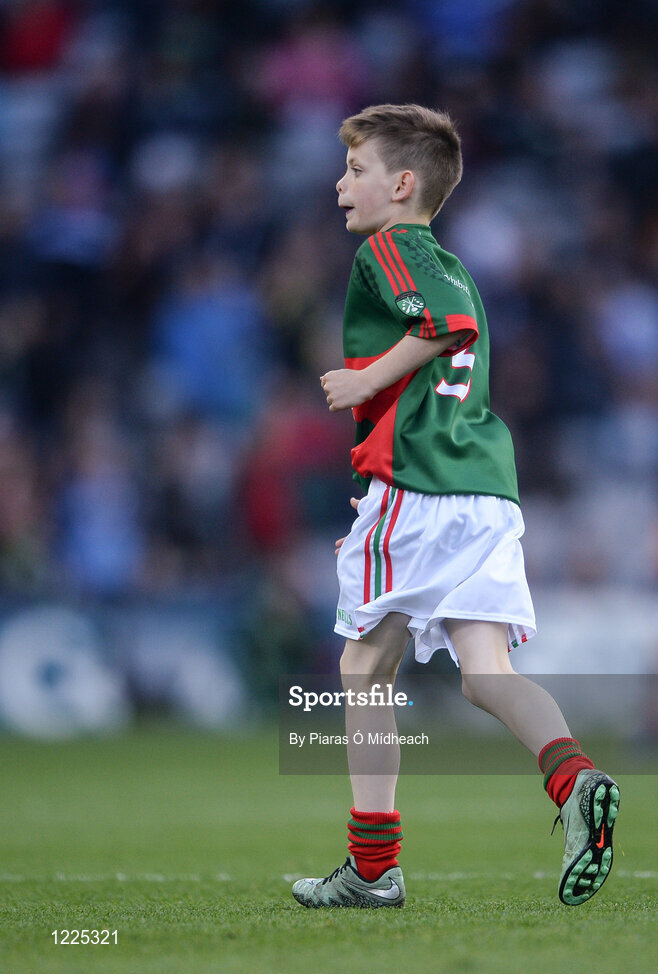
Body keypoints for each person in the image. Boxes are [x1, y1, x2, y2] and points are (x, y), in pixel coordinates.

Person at [291, 104, 620, 909]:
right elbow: (457, 320)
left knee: (364, 669)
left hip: (420, 487)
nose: (342, 184)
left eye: (357, 170)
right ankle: (574, 779)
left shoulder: (391, 249)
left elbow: (450, 325)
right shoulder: (447, 258)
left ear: (402, 186)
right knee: (486, 675)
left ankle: (373, 869)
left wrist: (365, 381)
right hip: (485, 491)